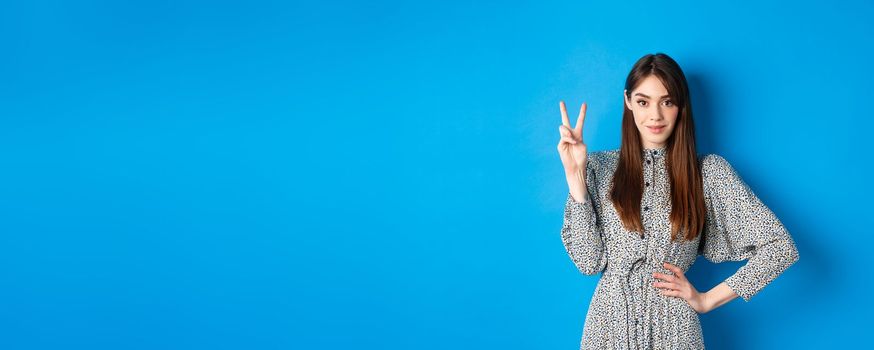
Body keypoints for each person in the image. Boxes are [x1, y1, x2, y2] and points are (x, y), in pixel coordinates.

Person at [556, 53, 799, 349]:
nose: (655, 115)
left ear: (681, 106)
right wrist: (575, 178)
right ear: (628, 101)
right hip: (608, 328)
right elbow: (588, 262)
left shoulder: (708, 173)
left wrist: (707, 299)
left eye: (667, 102)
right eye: (643, 101)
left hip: (676, 332)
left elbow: (781, 247)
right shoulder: (598, 167)